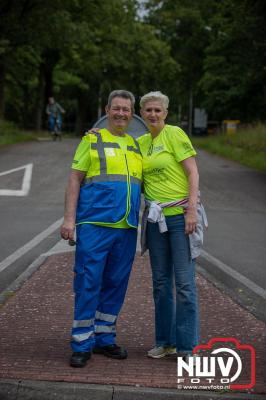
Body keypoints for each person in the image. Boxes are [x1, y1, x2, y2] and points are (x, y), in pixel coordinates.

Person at [60, 90, 142, 368]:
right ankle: (82, 342)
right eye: (116, 108)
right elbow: (74, 179)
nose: (121, 113)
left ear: (132, 114)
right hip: (95, 223)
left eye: (126, 110)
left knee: (116, 284)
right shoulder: (91, 139)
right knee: (88, 282)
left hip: (127, 226)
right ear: (107, 110)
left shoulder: (136, 144)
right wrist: (69, 219)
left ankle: (104, 338)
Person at [137, 91, 207, 361]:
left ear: (165, 113)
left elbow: (193, 172)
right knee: (161, 283)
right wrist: (94, 134)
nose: (153, 114)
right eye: (148, 110)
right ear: (141, 114)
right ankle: (164, 342)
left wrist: (191, 210)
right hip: (155, 220)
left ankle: (187, 346)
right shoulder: (140, 142)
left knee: (185, 284)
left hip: (180, 218)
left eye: (157, 110)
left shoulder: (175, 134)